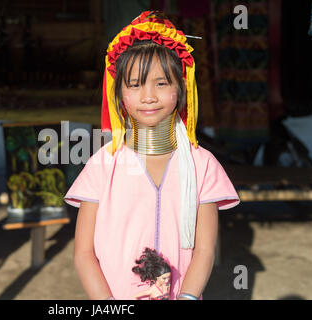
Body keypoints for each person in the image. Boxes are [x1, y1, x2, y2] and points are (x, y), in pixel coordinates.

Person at [64, 11, 240, 300]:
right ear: (118, 93)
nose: (148, 96)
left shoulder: (202, 165)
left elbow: (205, 248)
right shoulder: (102, 166)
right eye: (135, 84)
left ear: (181, 89)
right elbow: (84, 253)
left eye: (161, 83)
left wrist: (187, 297)